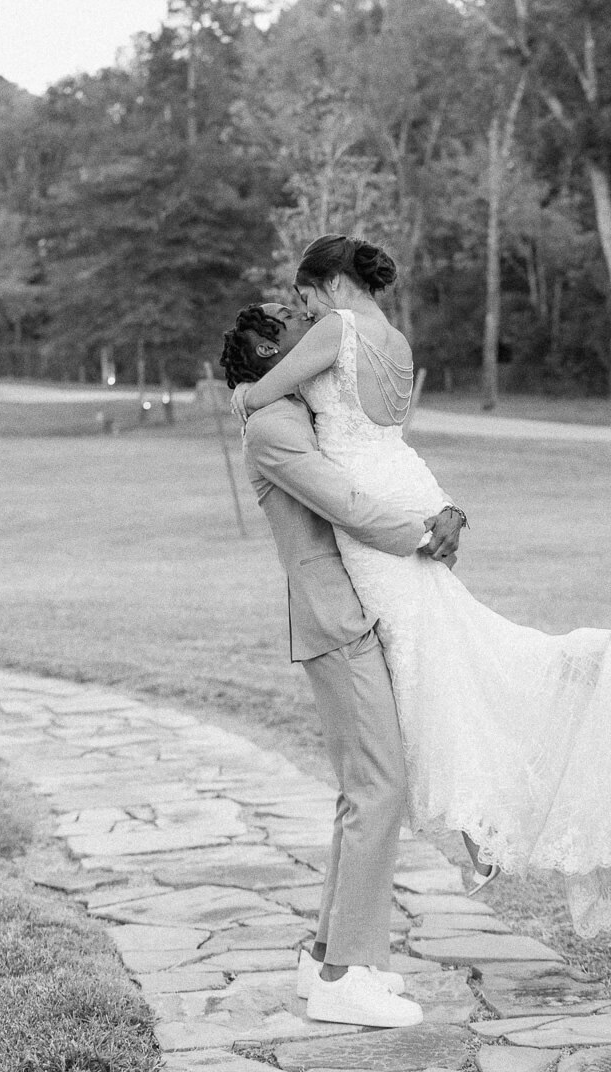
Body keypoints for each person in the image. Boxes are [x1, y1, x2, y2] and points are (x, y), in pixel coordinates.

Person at [227, 234, 611, 939]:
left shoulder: (336, 327)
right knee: (440, 657)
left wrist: (243, 388)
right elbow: (385, 435)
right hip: (409, 489)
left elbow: (262, 392)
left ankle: (476, 828)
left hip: (379, 516)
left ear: (332, 283)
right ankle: (477, 827)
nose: (302, 312)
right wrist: (443, 511)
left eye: (304, 296)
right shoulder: (393, 338)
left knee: (420, 667)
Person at [220, 301, 465, 1027]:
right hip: (336, 623)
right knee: (380, 787)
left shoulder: (297, 411)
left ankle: (326, 950)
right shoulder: (272, 428)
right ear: (269, 350)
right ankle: (341, 977)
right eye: (291, 318)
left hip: (356, 612)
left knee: (365, 787)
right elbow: (347, 503)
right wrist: (424, 534)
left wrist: (439, 507)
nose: (313, 319)